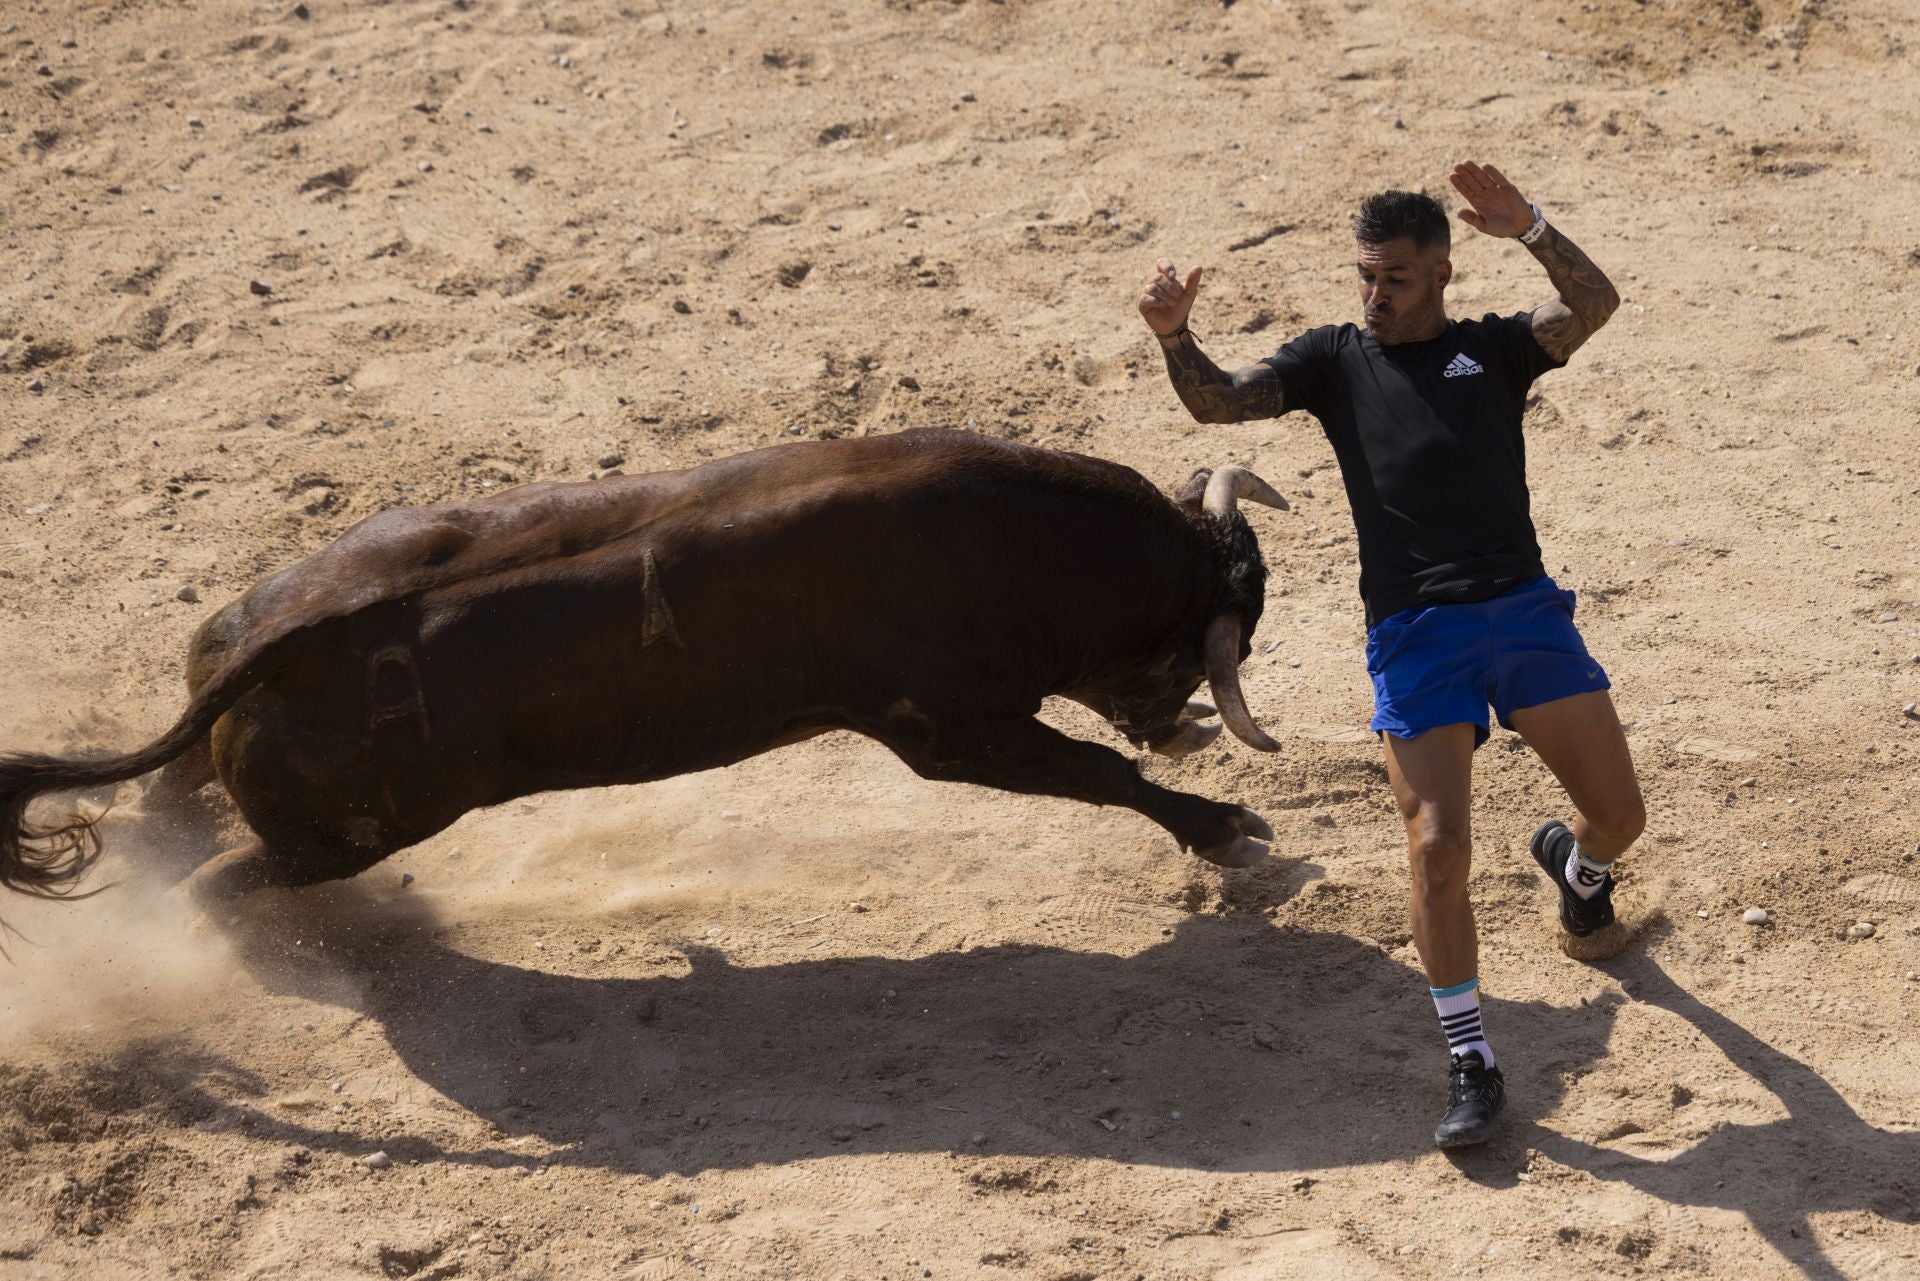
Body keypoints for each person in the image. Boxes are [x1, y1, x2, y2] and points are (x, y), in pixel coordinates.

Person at [1137, 162, 1646, 1149]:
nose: (1374, 295)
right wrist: (1174, 337)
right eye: (1365, 276)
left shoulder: (1495, 351)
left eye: (1396, 279)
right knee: (1437, 850)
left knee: (1619, 816)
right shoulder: (1333, 360)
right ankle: (1471, 1059)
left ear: (1444, 274)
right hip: (1415, 634)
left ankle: (1579, 877)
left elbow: (1596, 303)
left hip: (1524, 614)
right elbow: (1221, 404)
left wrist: (1533, 226)